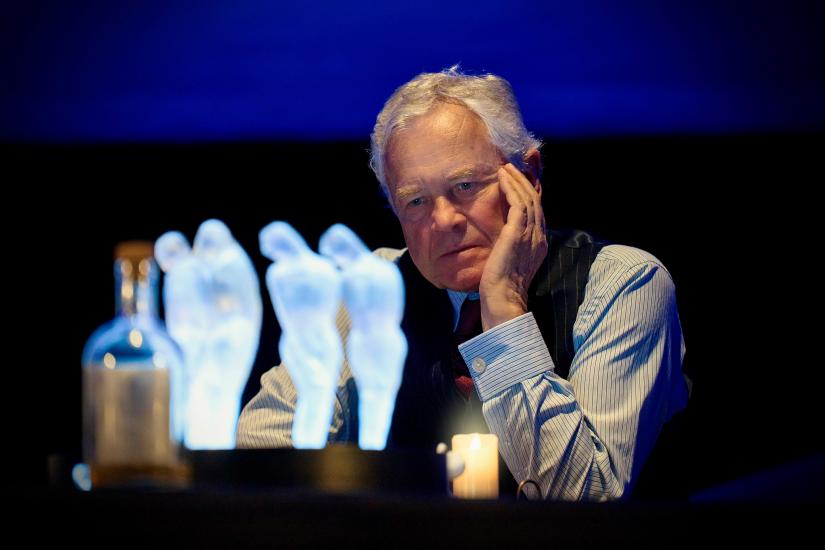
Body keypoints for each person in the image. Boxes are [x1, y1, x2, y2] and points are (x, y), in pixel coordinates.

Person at [237, 66, 690, 501]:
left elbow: (581, 500)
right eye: (415, 200)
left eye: (466, 185)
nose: (444, 220)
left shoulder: (624, 285)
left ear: (529, 176)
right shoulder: (368, 290)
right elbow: (259, 457)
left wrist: (505, 311)